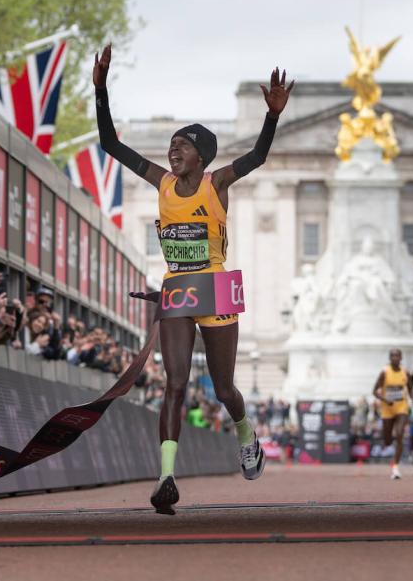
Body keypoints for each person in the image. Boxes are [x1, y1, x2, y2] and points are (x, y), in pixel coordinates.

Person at [93, 43, 293, 513]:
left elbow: (258, 157)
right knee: (176, 384)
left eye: (181, 146)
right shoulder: (161, 181)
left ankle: (245, 433)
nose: (172, 152)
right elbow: (111, 146)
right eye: (171, 146)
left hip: (216, 288)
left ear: (201, 156)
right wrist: (100, 91)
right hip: (179, 290)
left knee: (223, 389)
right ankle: (166, 475)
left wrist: (271, 117)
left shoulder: (215, 183)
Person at [373, 348, 411, 479]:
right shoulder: (384, 372)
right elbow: (374, 391)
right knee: (388, 440)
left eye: (397, 356)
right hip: (387, 408)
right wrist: (385, 399)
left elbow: (411, 390)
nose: (395, 358)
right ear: (390, 358)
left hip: (401, 407)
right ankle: (391, 442)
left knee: (400, 434)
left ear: (401, 358)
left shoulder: (405, 372)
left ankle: (395, 467)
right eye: (393, 356)